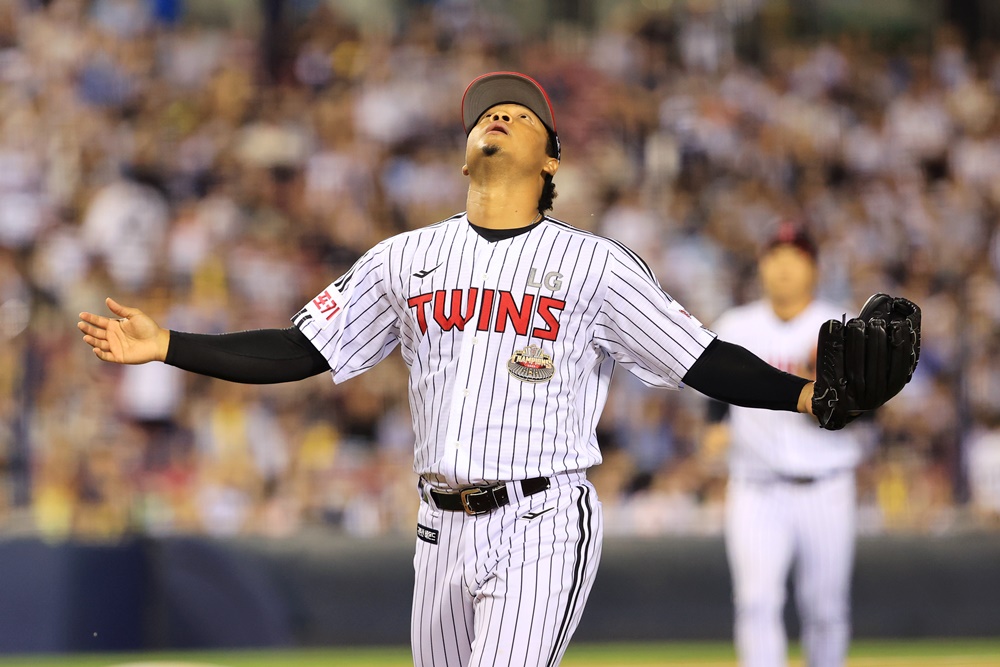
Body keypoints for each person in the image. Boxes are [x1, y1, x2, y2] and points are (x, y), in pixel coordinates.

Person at [80, 72, 822, 667]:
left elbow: (700, 359)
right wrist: (170, 344)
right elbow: (301, 348)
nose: (497, 116)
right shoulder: (403, 258)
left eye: (521, 115)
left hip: (541, 518)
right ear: (465, 150)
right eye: (486, 113)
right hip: (437, 529)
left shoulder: (595, 265)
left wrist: (804, 393)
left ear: (552, 160)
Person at [702, 222, 866, 667]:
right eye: (775, 256)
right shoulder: (736, 324)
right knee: (755, 603)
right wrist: (714, 425)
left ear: (813, 268)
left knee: (826, 609)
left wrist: (846, 401)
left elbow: (867, 412)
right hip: (755, 487)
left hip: (827, 486)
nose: (783, 267)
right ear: (762, 265)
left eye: (795, 257)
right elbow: (717, 389)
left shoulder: (841, 327)